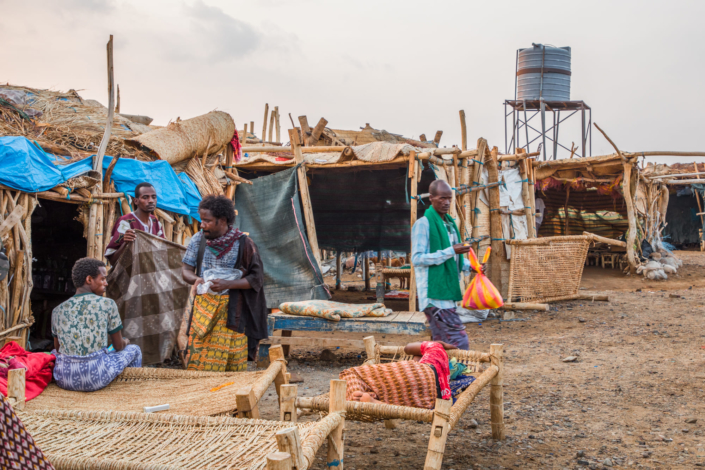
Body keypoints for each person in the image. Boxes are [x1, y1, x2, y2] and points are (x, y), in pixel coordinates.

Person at [181, 195, 267, 371]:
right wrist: (198, 280)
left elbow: (256, 279)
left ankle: (226, 396)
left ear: (222, 220)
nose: (202, 224)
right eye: (201, 220)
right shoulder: (198, 240)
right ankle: (202, 394)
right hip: (203, 311)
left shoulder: (244, 244)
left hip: (234, 312)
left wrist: (228, 284)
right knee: (201, 358)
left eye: (207, 221)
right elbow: (185, 271)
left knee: (232, 363)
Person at [51, 258, 142, 392]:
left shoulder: (57, 310)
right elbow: (117, 346)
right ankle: (130, 392)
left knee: (53, 353)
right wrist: (125, 342)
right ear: (89, 280)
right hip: (96, 377)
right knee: (134, 350)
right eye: (102, 279)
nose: (106, 283)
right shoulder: (107, 304)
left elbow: (58, 349)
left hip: (65, 378)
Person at [411, 180, 471, 350]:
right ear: (431, 198)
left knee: (442, 343)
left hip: (446, 294)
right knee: (458, 341)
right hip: (433, 295)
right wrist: (451, 251)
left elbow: (451, 260)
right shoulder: (423, 224)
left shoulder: (449, 226)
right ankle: (453, 373)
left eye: (449, 199)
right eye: (442, 198)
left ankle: (435, 373)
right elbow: (417, 259)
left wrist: (469, 265)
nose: (446, 203)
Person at [340, 341, 476, 408]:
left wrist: (439, 344)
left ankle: (357, 397)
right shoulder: (442, 374)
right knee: (382, 393)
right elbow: (414, 364)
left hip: (423, 373)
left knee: (350, 373)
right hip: (430, 399)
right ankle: (373, 400)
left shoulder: (436, 352)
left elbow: (408, 348)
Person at [105, 182, 165, 264]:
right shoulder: (125, 222)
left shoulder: (156, 222)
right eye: (145, 197)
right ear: (136, 201)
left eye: (154, 197)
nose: (151, 201)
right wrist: (125, 243)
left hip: (150, 275)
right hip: (129, 275)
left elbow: (163, 249)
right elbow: (112, 260)